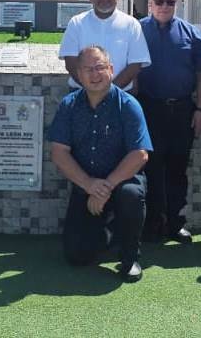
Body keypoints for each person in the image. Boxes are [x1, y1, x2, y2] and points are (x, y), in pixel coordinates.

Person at [49, 46, 152, 283]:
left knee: (131, 194)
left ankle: (130, 257)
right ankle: (110, 233)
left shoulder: (128, 105)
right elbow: (59, 153)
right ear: (79, 74)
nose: (95, 74)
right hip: (87, 184)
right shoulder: (69, 106)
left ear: (111, 70)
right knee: (76, 256)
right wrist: (89, 185)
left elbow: (140, 155)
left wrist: (105, 187)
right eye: (88, 69)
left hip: (122, 181)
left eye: (100, 67)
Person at [135, 0, 201, 244]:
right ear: (150, 3)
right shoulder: (137, 30)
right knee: (150, 167)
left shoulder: (191, 33)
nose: (164, 6)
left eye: (170, 2)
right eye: (159, 1)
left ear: (177, 4)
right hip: (148, 109)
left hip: (182, 110)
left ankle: (176, 223)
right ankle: (153, 222)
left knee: (178, 167)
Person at [59, 0, 151, 89]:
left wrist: (109, 91)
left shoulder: (132, 24)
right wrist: (92, 91)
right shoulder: (76, 23)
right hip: (82, 93)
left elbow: (135, 65)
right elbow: (70, 62)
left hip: (119, 94)